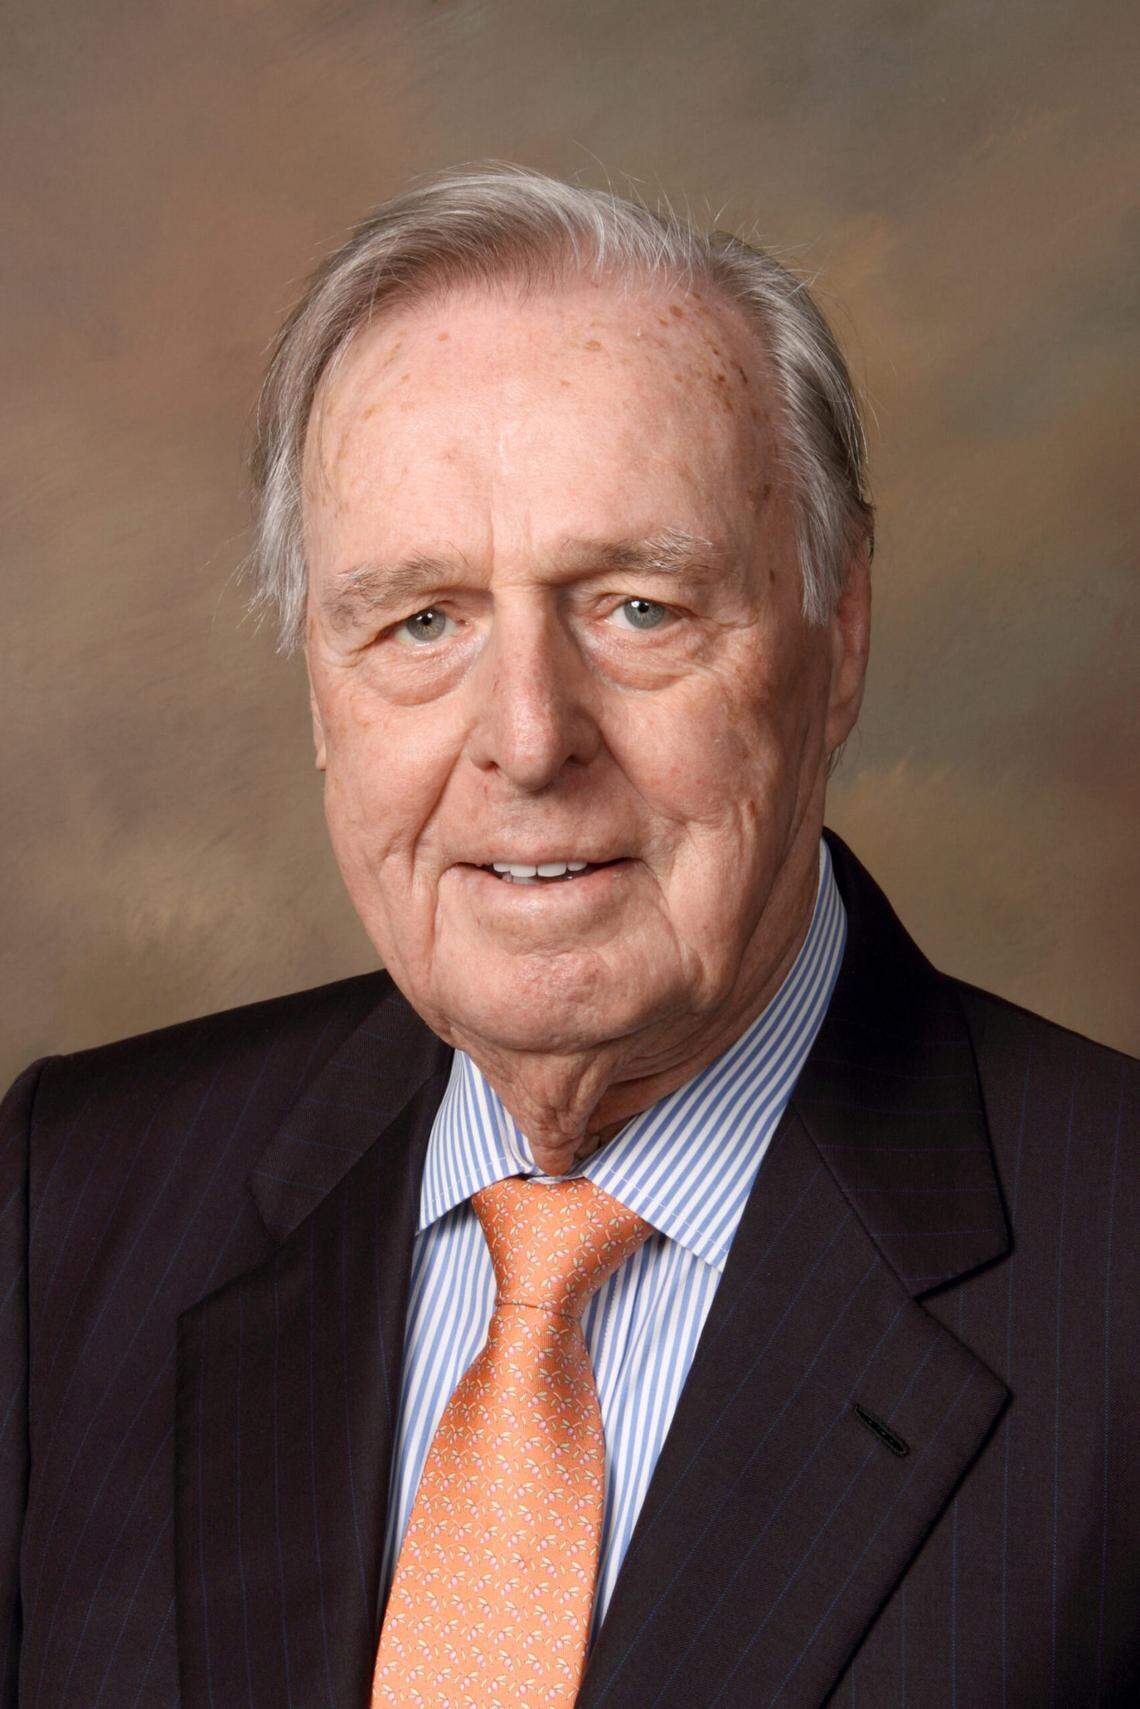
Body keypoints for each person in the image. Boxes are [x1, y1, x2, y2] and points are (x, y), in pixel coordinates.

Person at [0, 165, 1134, 1709]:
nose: (529, 740)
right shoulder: (65, 1209)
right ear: (321, 684)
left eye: (637, 608)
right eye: (422, 620)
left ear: (841, 633)